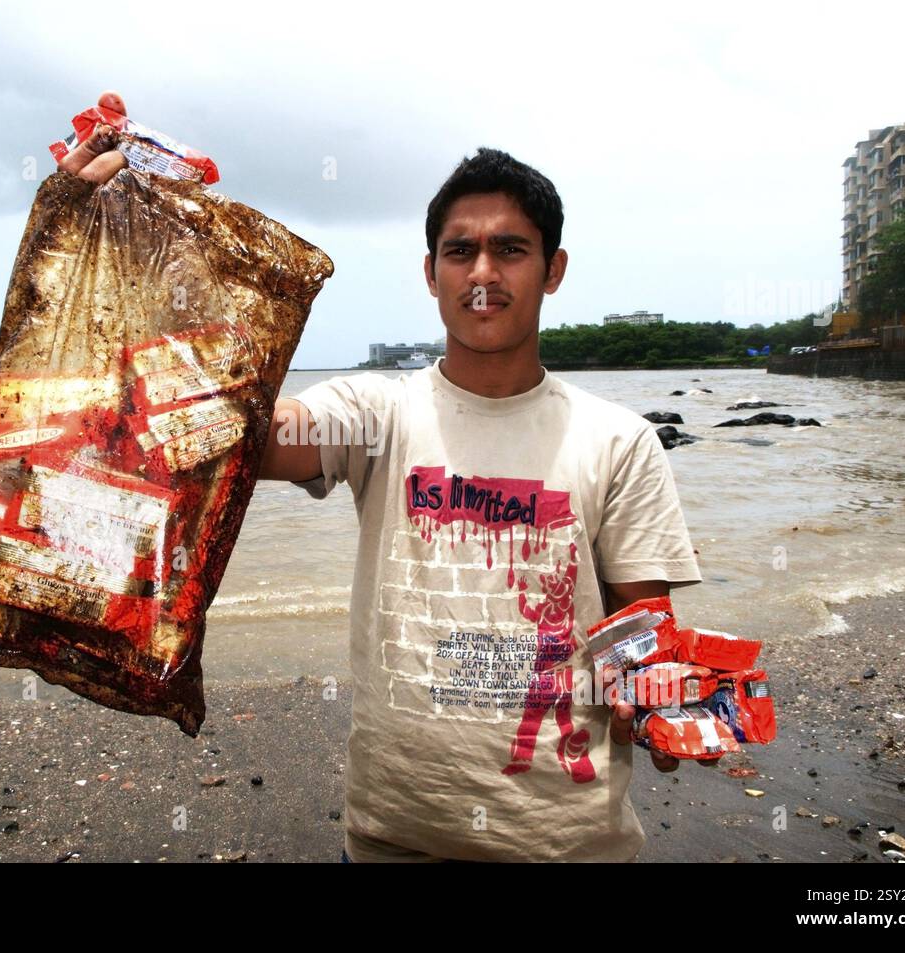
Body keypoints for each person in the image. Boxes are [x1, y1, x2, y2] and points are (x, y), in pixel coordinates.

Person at [63, 90, 712, 863]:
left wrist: (674, 710)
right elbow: (233, 435)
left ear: (554, 269)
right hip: (389, 840)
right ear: (430, 274)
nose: (483, 272)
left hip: (567, 846)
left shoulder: (621, 442)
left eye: (510, 249)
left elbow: (644, 641)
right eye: (459, 250)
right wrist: (122, 241)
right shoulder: (378, 413)